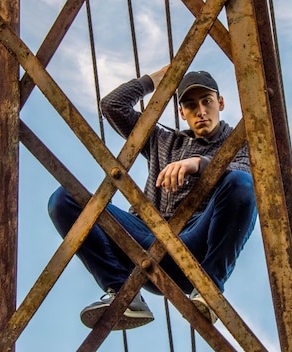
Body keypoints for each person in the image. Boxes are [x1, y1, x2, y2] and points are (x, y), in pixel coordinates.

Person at [48, 65, 257, 330]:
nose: (201, 112)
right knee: (65, 199)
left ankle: (209, 291)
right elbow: (112, 106)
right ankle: (125, 295)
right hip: (145, 239)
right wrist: (156, 80)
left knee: (241, 183)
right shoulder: (163, 140)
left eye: (207, 102)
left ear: (221, 102)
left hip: (195, 245)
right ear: (181, 112)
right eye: (191, 106)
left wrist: (199, 164)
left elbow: (246, 177)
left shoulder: (239, 141)